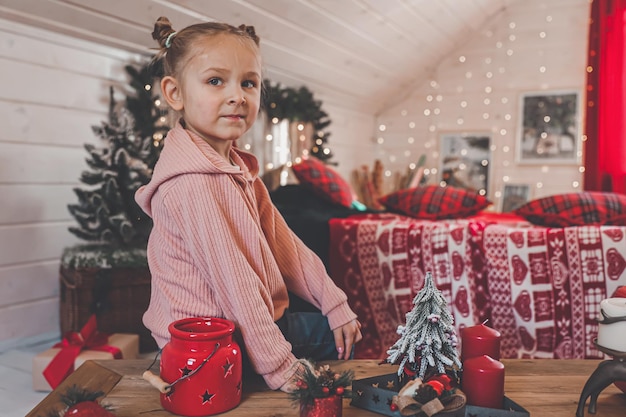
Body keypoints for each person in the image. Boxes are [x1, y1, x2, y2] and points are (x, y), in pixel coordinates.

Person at [135, 16, 362, 392]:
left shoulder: (236, 170)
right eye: (215, 81)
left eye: (248, 83)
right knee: (344, 348)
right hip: (208, 344)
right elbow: (235, 284)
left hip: (248, 324)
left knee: (344, 327)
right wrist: (282, 368)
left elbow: (284, 245)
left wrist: (334, 303)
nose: (237, 95)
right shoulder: (191, 184)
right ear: (174, 93)